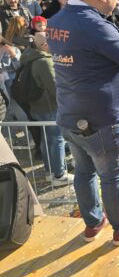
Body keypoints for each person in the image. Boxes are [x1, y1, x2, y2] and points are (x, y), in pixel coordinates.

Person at [46, 0, 119, 245]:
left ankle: (92, 223)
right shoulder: (92, 25)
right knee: (113, 175)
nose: (117, 3)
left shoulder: (58, 19)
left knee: (83, 171)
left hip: (70, 111)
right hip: (102, 116)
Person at [20, 32, 71, 185]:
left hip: (38, 107)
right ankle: (59, 175)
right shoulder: (44, 62)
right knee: (57, 140)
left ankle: (51, 171)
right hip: (50, 107)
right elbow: (55, 88)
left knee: (46, 140)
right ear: (45, 45)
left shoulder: (29, 56)